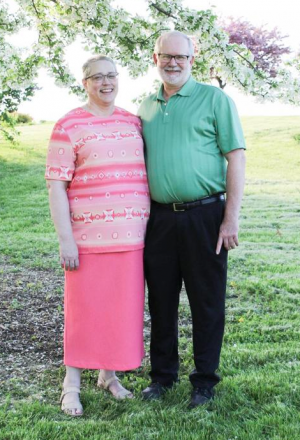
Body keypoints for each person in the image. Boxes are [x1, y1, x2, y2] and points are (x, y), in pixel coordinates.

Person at [138, 31, 246, 408]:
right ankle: (162, 377)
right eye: (165, 56)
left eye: (180, 56)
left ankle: (204, 382)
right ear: (155, 58)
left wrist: (229, 220)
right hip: (160, 221)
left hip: (205, 215)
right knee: (161, 303)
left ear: (192, 59)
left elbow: (236, 157)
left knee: (207, 302)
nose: (173, 62)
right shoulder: (146, 107)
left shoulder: (215, 100)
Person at [45, 55, 150, 416]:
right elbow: (56, 185)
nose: (106, 83)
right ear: (84, 83)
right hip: (88, 240)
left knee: (120, 311)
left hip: (133, 237)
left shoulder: (132, 122)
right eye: (97, 77)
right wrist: (66, 239)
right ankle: (70, 385)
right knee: (84, 312)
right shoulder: (68, 125)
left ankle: (109, 376)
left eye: (111, 76)